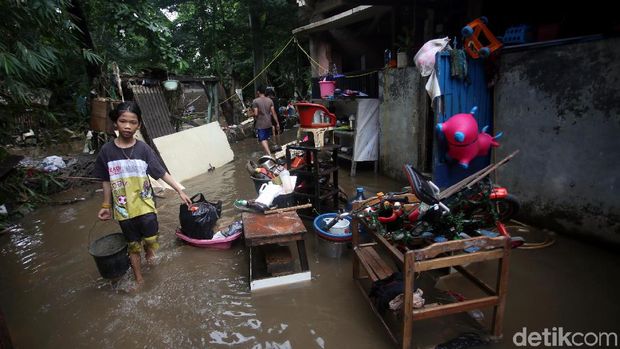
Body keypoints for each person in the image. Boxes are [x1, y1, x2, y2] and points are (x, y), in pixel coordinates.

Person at [92, 101, 192, 287]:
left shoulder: (143, 149)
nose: (127, 126)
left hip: (146, 205)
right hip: (124, 209)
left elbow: (160, 173)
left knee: (150, 238)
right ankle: (139, 279)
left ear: (139, 125)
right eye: (123, 121)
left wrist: (179, 190)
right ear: (116, 122)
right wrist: (106, 205)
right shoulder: (107, 151)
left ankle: (150, 255)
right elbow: (105, 180)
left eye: (133, 122)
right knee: (133, 245)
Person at [252, 85, 279, 155]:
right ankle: (267, 154)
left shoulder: (255, 101)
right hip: (269, 123)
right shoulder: (270, 100)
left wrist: (250, 114)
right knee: (266, 138)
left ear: (258, 92)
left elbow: (256, 113)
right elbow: (274, 113)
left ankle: (269, 155)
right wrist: (277, 123)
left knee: (263, 140)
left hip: (261, 124)